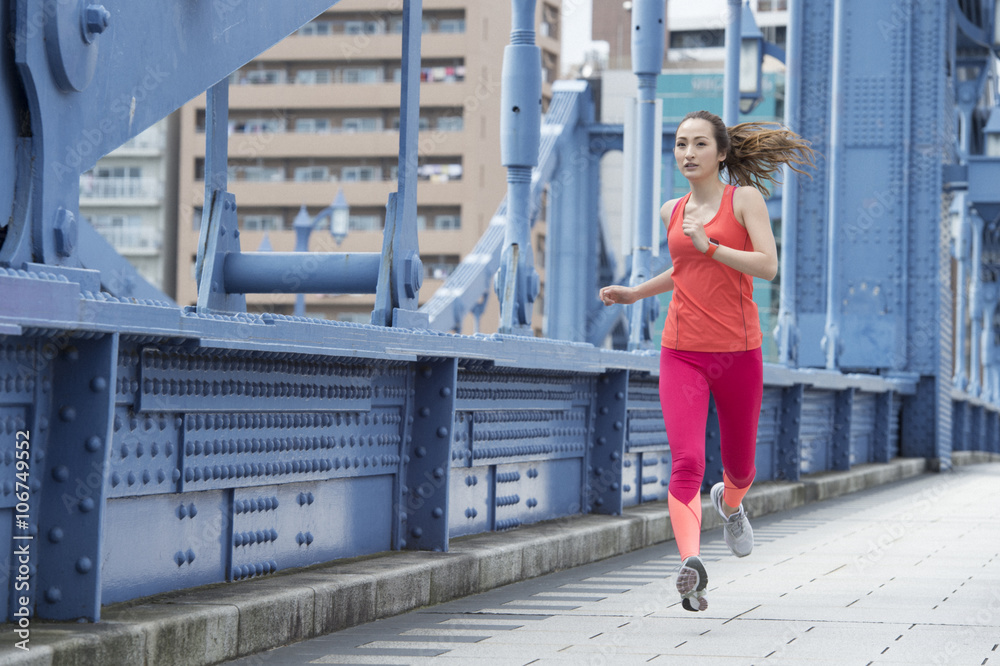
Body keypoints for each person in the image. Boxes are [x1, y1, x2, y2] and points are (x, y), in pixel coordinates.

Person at [599, 110, 815, 612]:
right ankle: (691, 567)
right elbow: (683, 269)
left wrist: (712, 245)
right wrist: (636, 293)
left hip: (739, 353)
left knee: (740, 467)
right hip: (682, 352)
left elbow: (767, 266)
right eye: (680, 144)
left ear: (721, 153)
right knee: (687, 462)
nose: (688, 153)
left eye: (699, 144)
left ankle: (731, 504)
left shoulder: (744, 199)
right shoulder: (670, 210)